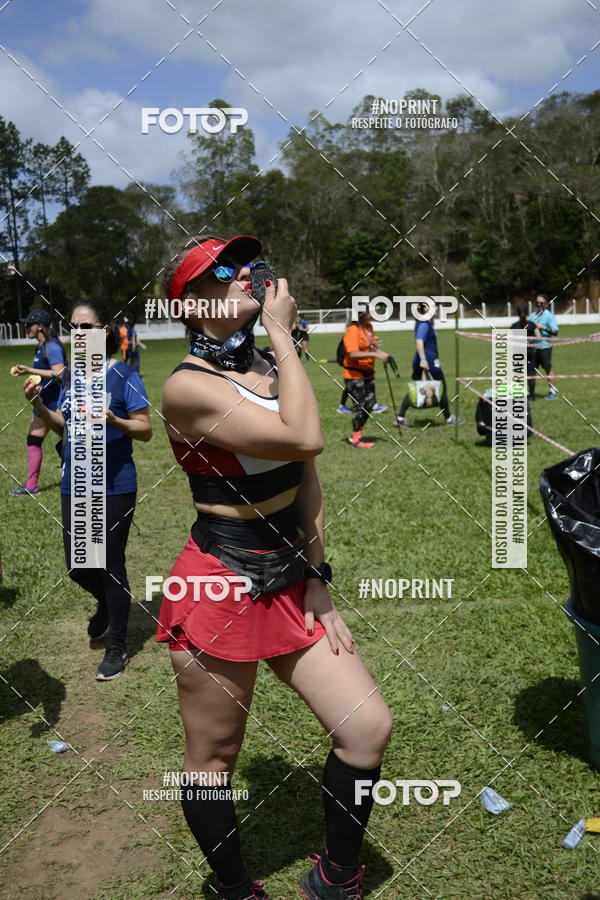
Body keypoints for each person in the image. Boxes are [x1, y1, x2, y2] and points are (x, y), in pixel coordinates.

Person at [156, 233, 392, 900]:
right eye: (220, 271)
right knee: (213, 759)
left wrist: (318, 581)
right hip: (218, 581)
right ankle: (235, 888)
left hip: (288, 576)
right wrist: (286, 339)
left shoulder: (268, 366)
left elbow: (307, 478)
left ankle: (337, 875)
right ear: (192, 303)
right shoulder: (186, 388)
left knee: (366, 728)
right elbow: (305, 435)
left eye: (243, 264)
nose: (243, 275)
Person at [23, 299, 152, 680]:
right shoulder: (69, 377)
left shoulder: (123, 374)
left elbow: (144, 429)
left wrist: (115, 418)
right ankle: (107, 605)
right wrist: (40, 407)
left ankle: (117, 646)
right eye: (74, 328)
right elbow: (65, 425)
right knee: (79, 565)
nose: (79, 334)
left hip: (114, 484)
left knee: (111, 563)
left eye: (87, 327)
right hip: (75, 480)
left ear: (104, 332)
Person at [9, 309, 68, 495]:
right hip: (43, 401)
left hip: (57, 403)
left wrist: (28, 370)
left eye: (29, 324)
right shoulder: (41, 346)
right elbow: (49, 375)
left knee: (69, 442)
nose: (25, 327)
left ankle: (78, 475)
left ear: (40, 326)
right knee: (33, 439)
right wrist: (37, 383)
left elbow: (60, 373)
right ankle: (31, 485)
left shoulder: (51, 346)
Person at [394, 302, 464, 427]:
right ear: (426, 308)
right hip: (428, 361)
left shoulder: (425, 322)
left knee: (415, 389)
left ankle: (399, 418)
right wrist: (423, 359)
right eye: (433, 305)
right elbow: (419, 340)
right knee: (441, 388)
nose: (436, 307)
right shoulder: (424, 324)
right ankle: (449, 419)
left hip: (423, 360)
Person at [340, 311, 390, 447]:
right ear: (361, 315)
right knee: (359, 405)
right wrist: (376, 355)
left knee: (370, 403)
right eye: (369, 313)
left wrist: (382, 354)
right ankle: (356, 438)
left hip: (369, 373)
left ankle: (357, 433)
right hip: (354, 375)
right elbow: (353, 353)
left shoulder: (369, 328)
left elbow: (372, 347)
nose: (373, 315)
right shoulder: (352, 330)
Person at [510, 303, 541, 400]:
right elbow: (539, 337)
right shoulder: (531, 324)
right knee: (531, 373)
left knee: (517, 373)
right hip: (530, 352)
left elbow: (509, 339)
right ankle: (531, 395)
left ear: (517, 313)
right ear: (527, 313)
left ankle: (518, 395)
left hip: (518, 352)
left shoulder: (514, 326)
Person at [531, 293, 559, 399]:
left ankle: (552, 392)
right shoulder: (532, 315)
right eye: (537, 303)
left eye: (541, 303)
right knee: (531, 371)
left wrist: (542, 327)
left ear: (546, 304)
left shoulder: (549, 316)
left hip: (545, 347)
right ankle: (531, 392)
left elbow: (555, 332)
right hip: (533, 347)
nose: (539, 304)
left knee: (548, 369)